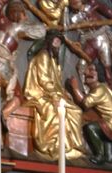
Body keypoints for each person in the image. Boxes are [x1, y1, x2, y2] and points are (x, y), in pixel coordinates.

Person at [23, 30, 87, 161]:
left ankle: (72, 147)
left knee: (76, 111)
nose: (57, 43)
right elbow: (44, 80)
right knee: (55, 112)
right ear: (49, 41)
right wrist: (55, 97)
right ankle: (53, 146)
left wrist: (64, 93)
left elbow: (56, 82)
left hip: (53, 94)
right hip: (40, 94)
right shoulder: (43, 56)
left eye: (59, 41)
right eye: (55, 40)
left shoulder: (53, 59)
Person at [68, 62, 112, 168]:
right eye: (86, 71)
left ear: (98, 74)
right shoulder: (102, 87)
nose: (86, 73)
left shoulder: (99, 90)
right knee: (110, 158)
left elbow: (85, 103)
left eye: (91, 70)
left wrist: (74, 88)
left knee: (90, 128)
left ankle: (99, 155)